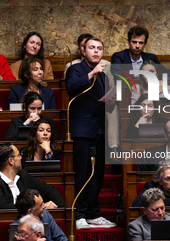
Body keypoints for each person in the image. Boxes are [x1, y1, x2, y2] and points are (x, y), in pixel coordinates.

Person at [66, 37, 116, 229]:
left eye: (100, 48)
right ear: (83, 51)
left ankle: (94, 214)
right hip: (82, 130)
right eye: (92, 48)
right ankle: (79, 215)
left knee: (98, 175)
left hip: (100, 130)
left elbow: (100, 101)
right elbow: (70, 87)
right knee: (83, 173)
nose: (96, 52)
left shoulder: (103, 75)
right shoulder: (75, 69)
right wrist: (91, 73)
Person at [0, 143, 66, 209]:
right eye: (19, 155)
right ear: (11, 161)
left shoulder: (23, 176)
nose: (21, 158)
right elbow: (3, 208)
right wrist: (37, 207)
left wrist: (61, 209)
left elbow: (50, 190)